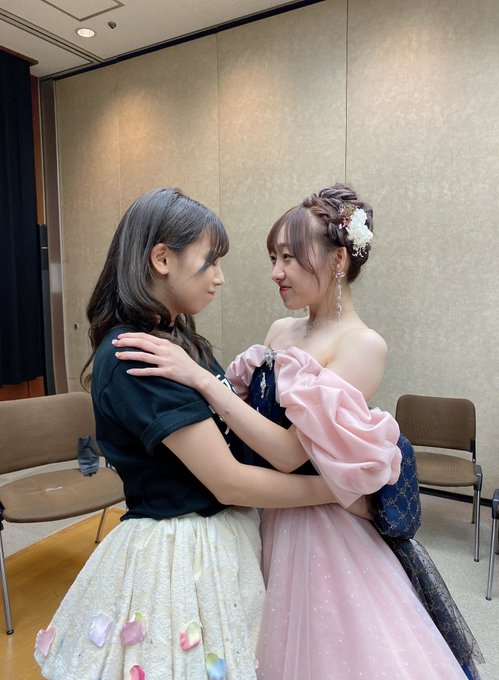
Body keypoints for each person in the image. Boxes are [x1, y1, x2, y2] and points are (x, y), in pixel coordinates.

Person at [114, 183, 483, 680]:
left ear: (337, 260)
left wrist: (200, 379)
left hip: (323, 528)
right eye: (274, 257)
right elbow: (248, 427)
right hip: (271, 510)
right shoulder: (280, 331)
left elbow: (289, 453)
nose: (276, 272)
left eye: (289, 257)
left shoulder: (363, 344)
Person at [34, 187, 342, 680]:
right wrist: (337, 491)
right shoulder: (138, 355)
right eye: (209, 262)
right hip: (180, 551)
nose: (219, 277)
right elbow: (229, 480)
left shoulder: (177, 340)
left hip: (215, 536)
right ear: (161, 259)